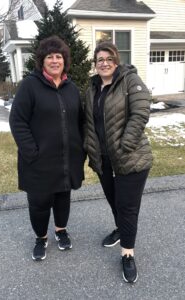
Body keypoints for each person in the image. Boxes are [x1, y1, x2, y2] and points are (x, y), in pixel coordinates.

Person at [9, 36, 85, 261]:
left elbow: (80, 121)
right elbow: (18, 121)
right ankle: (41, 238)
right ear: (42, 61)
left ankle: (61, 231)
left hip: (65, 159)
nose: (54, 60)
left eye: (59, 56)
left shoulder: (71, 88)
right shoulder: (30, 86)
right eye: (50, 57)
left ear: (64, 61)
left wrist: (80, 150)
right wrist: (32, 151)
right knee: (40, 203)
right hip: (39, 160)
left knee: (63, 198)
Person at [84, 41, 153, 283]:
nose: (104, 63)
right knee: (114, 201)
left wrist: (125, 145)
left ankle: (127, 254)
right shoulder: (92, 88)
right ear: (95, 64)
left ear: (116, 61)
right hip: (104, 160)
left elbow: (141, 111)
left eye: (108, 58)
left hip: (131, 157)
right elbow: (88, 122)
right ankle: (120, 229)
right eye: (99, 59)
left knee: (127, 207)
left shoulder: (129, 81)